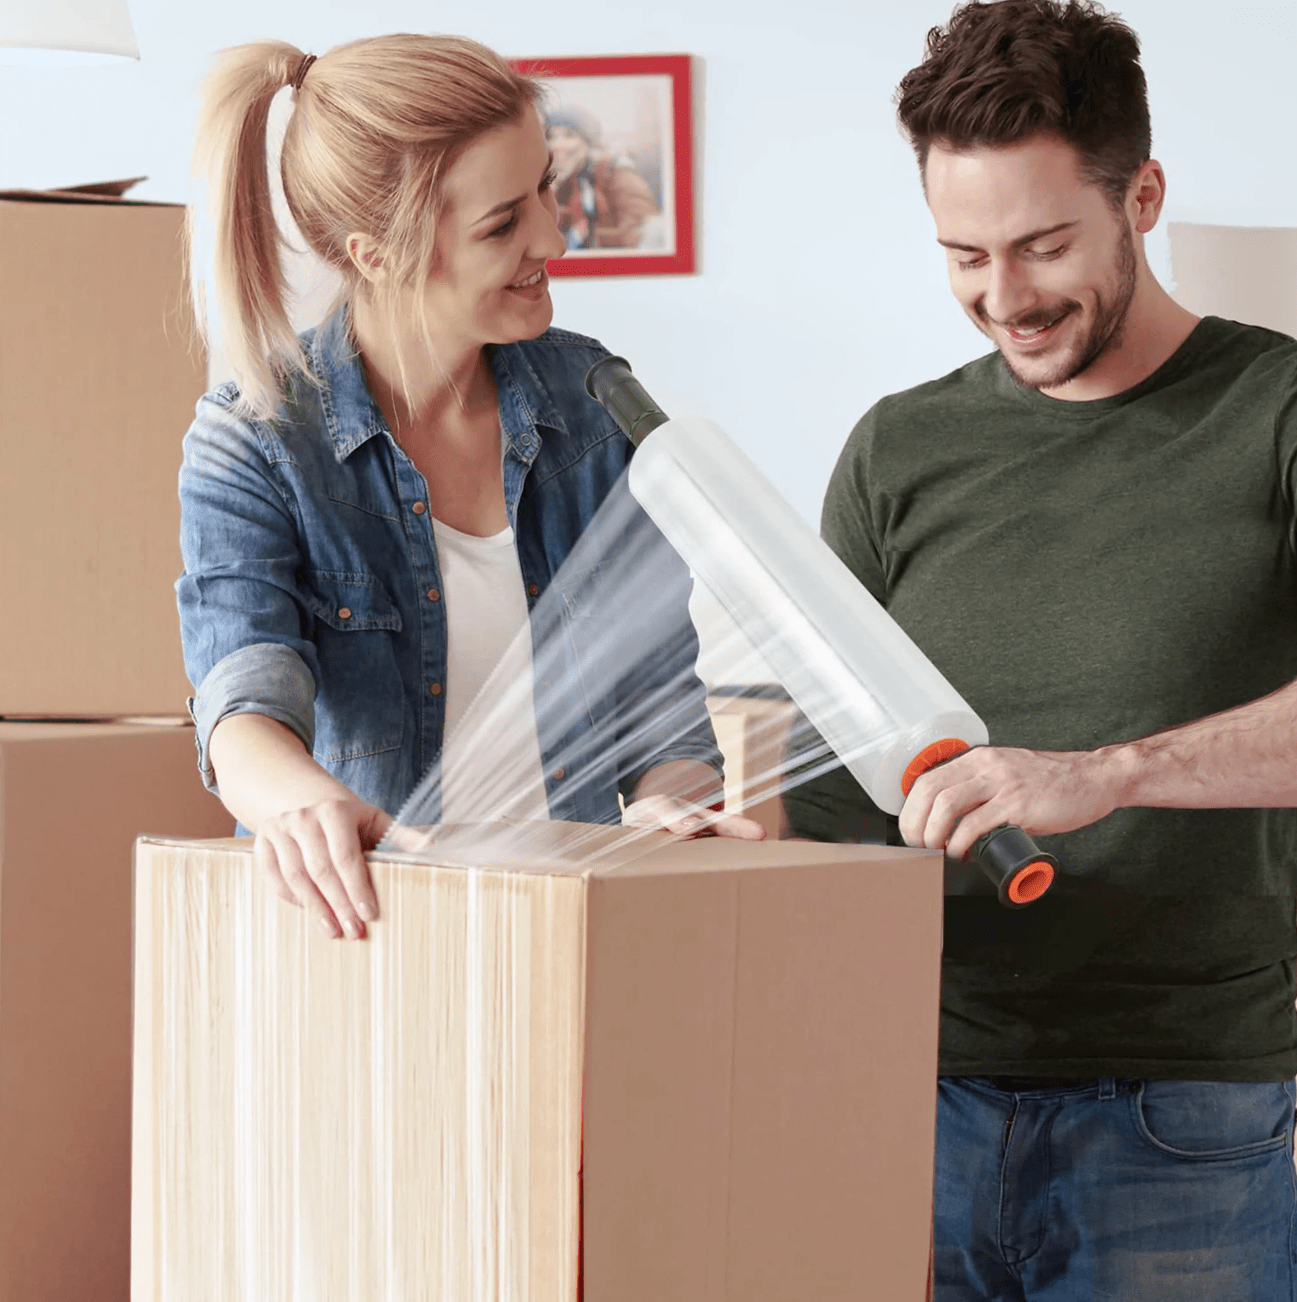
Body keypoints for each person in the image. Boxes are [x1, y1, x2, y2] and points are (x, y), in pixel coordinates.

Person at [782, 1, 1297, 1296]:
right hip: (909, 1097)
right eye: (961, 254)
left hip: (1178, 1119)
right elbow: (833, 770)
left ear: (1143, 197)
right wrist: (722, 807)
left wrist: (1103, 771)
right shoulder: (898, 451)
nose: (1001, 299)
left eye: (1041, 244)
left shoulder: (1274, 413)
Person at [178, 34, 760, 947]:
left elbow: (660, 712)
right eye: (501, 224)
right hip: (357, 933)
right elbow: (243, 698)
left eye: (547, 190)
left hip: (568, 933)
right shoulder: (255, 442)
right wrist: (301, 804)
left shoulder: (596, 406)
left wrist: (666, 813)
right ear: (375, 254)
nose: (552, 239)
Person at [545, 105, 662, 250]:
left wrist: (586, 236)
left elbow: (646, 233)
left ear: (588, 143)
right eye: (551, 137)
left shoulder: (618, 176)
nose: (557, 144)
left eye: (569, 135)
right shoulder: (561, 180)